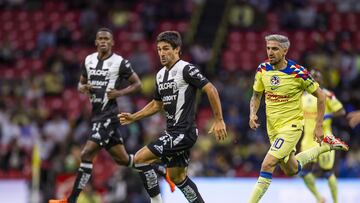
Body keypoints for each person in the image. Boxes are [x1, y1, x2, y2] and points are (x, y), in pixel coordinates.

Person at [49, 28, 172, 203]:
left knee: (86, 155)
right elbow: (80, 83)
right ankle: (161, 170)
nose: (104, 41)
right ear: (96, 42)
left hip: (109, 116)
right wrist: (82, 87)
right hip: (96, 115)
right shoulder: (89, 60)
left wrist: (119, 93)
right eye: (100, 38)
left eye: (107, 38)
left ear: (112, 42)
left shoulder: (120, 62)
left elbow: (137, 85)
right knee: (125, 160)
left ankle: (71, 200)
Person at [118, 31, 227, 203]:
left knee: (139, 159)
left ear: (177, 50)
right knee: (178, 178)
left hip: (183, 133)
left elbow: (210, 89)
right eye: (159, 49)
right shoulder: (160, 75)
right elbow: (156, 104)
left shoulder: (186, 68)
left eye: (166, 49)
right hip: (173, 133)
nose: (162, 53)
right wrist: (134, 117)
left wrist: (219, 119)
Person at [248, 34, 349, 203]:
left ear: (285, 51)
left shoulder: (298, 72)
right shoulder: (262, 69)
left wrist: (318, 126)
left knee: (267, 164)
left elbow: (321, 96)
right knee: (292, 169)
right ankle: (325, 146)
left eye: (275, 49)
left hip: (291, 127)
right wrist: (252, 113)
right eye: (268, 48)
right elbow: (256, 95)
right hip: (272, 128)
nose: (270, 52)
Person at [300, 70, 346, 203]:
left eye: (316, 77)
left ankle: (336, 201)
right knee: (303, 173)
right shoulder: (302, 96)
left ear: (321, 80)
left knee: (328, 172)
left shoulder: (327, 95)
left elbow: (341, 111)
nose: (314, 79)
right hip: (308, 140)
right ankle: (319, 198)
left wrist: (328, 115)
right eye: (311, 77)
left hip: (326, 138)